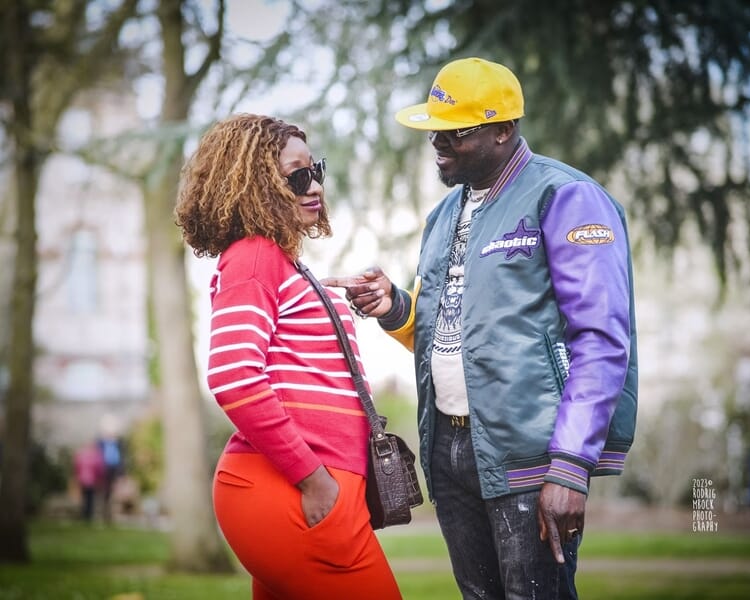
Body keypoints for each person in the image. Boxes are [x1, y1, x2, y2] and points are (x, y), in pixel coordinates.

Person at [324, 57, 638, 599]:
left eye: (456, 133)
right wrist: (395, 307)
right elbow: (448, 332)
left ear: (503, 129)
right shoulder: (445, 214)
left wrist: (569, 467)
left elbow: (602, 339)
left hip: (531, 451)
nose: (439, 144)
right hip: (448, 447)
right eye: (434, 131)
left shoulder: (564, 196)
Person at [174, 113, 402, 600]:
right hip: (297, 488)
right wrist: (313, 480)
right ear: (258, 185)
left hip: (302, 487)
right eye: (296, 174)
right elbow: (235, 376)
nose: (313, 184)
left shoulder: (277, 262)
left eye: (314, 169)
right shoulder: (255, 255)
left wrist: (328, 293)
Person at [73, 440, 105, 522]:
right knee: (89, 498)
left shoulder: (81, 454)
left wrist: (77, 477)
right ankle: (88, 515)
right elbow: (99, 468)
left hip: (84, 480)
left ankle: (85, 515)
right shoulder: (96, 455)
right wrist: (100, 479)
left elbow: (77, 467)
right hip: (91, 480)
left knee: (86, 498)